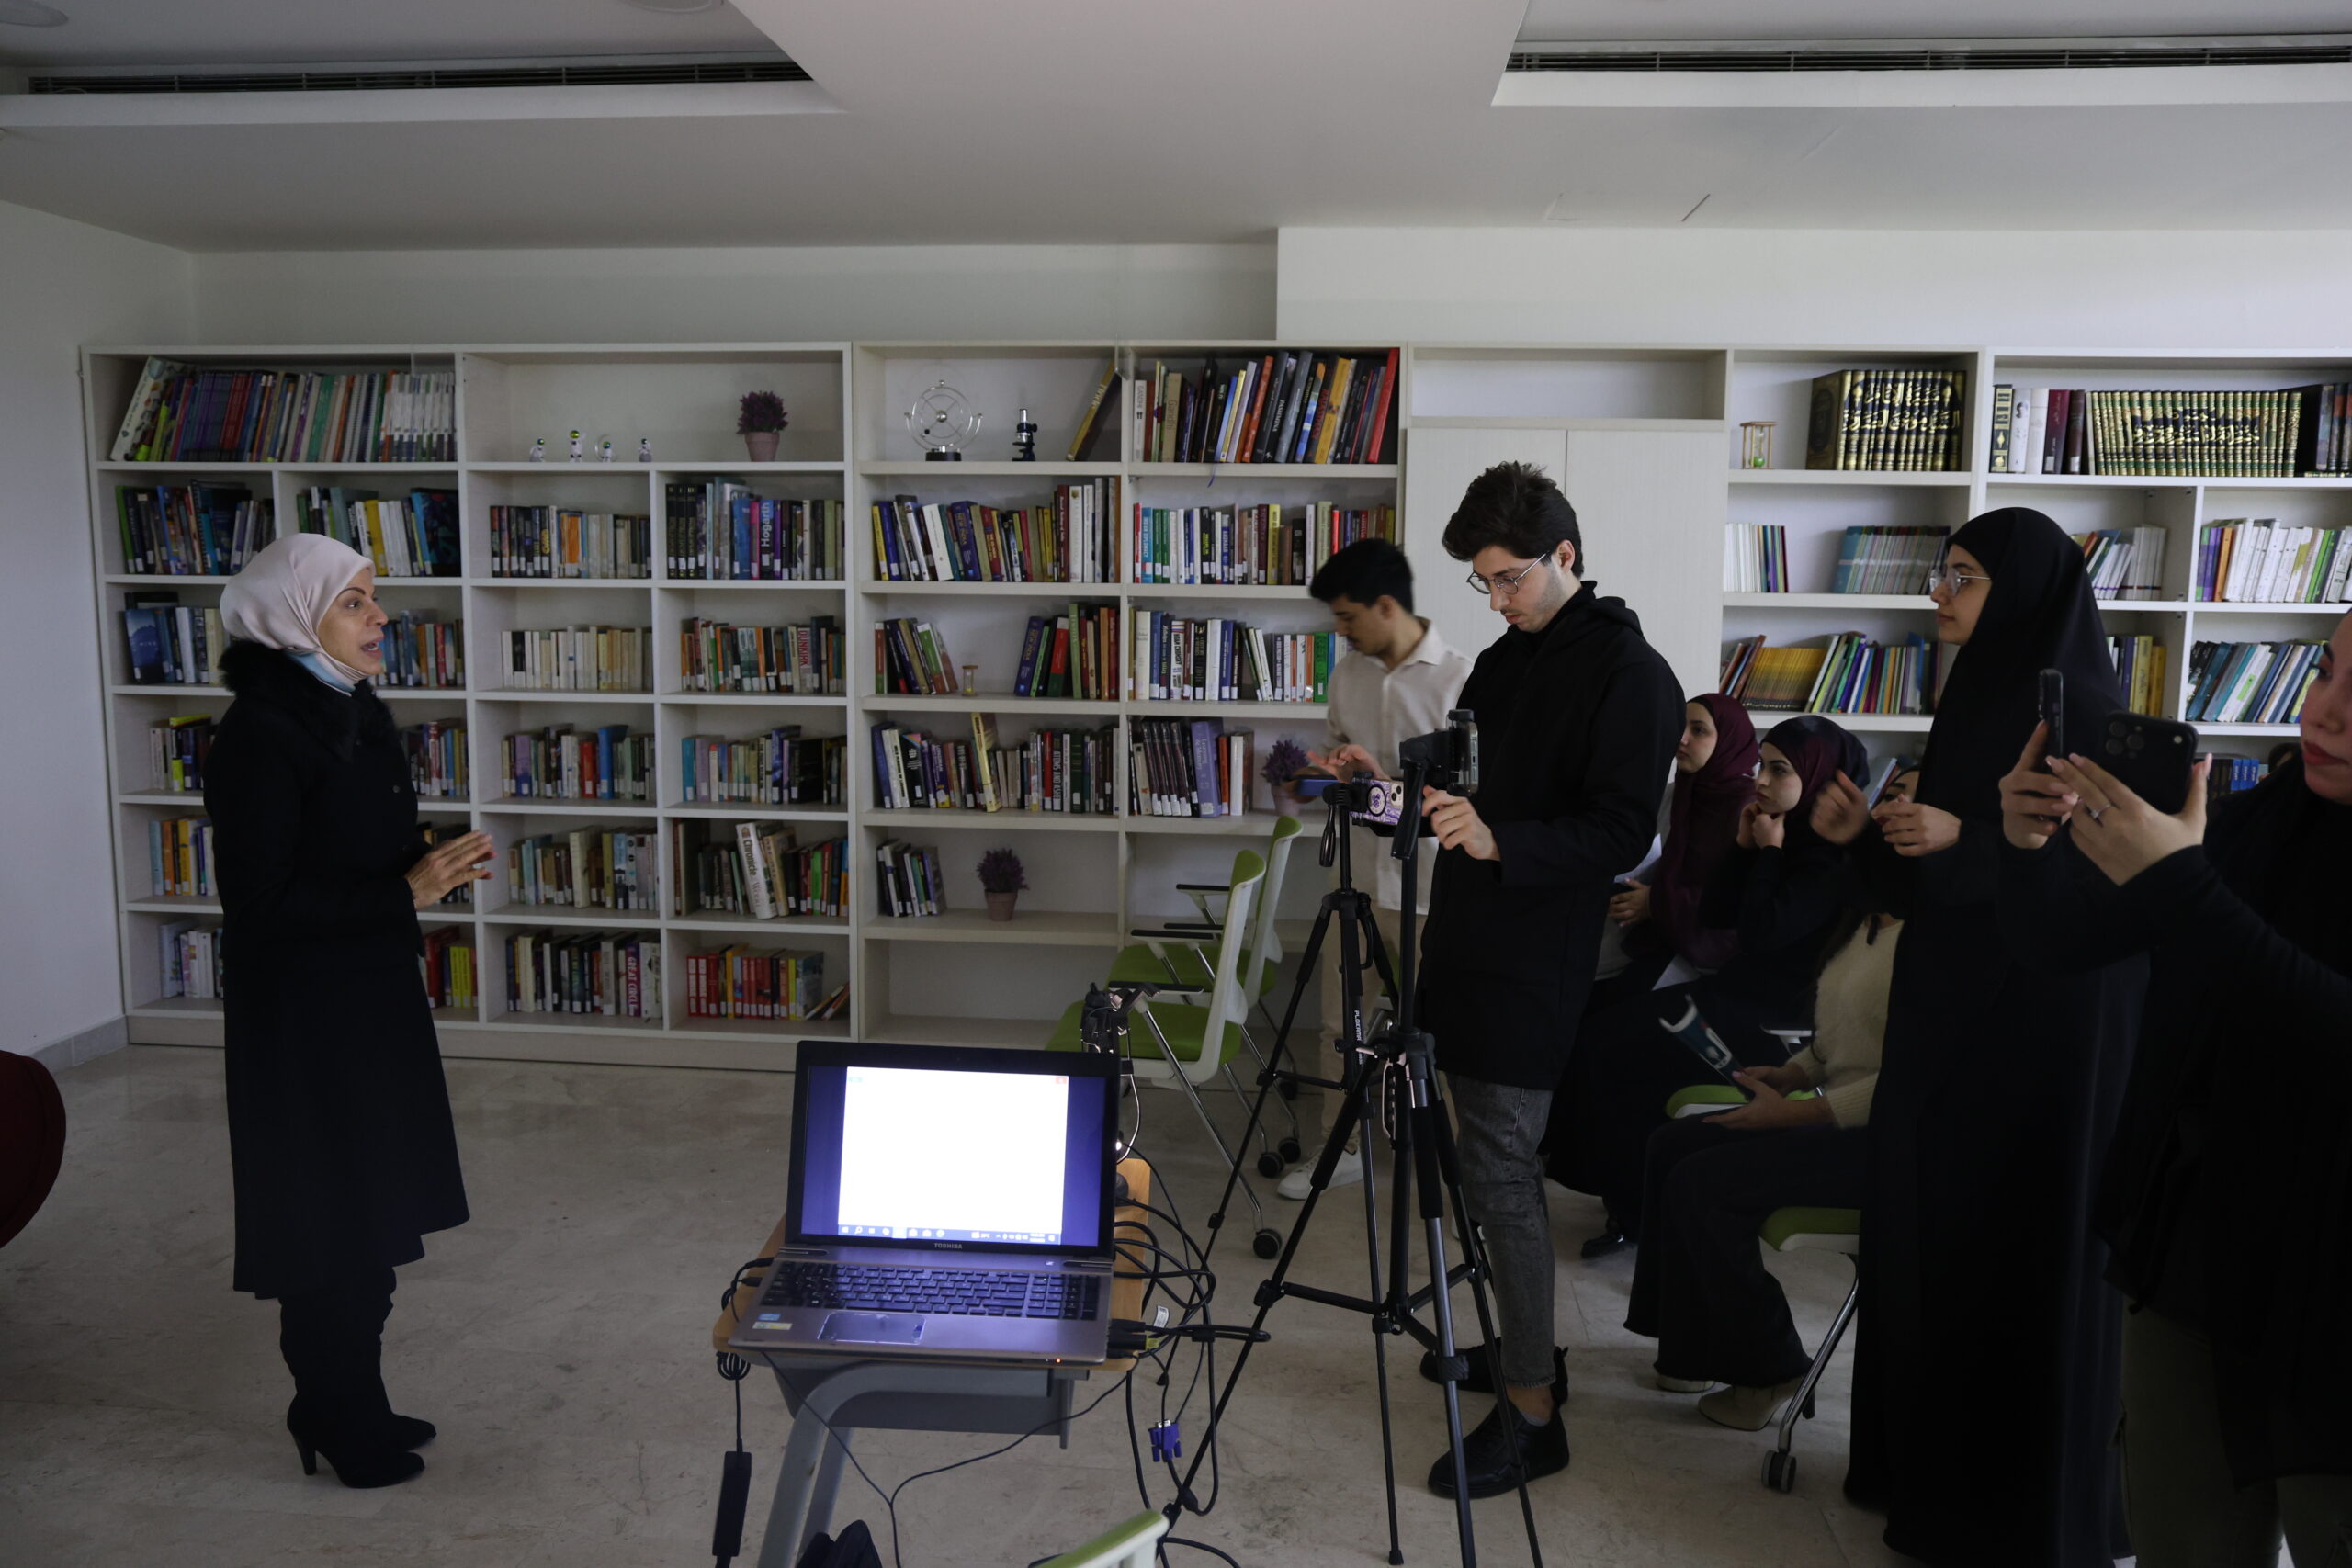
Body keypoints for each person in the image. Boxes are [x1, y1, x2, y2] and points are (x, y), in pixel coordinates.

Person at [1817, 507, 2142, 1566]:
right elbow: (1932, 873)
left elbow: (2100, 883)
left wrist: (1965, 846)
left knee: (2005, 1255)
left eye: (1960, 576)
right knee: (1927, 1246)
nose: (1939, 594)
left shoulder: (2081, 708)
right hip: (1952, 1011)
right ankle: (1923, 1482)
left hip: (2036, 1033)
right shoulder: (1975, 695)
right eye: (1942, 572)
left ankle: (2002, 1514)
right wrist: (1867, 839)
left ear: (2026, 591)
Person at [1996, 607, 2352, 1568]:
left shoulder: (2220, 853)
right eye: (2324, 674)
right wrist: (2029, 850)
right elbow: (2060, 943)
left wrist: (2182, 888)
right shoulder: (2264, 821)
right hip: (2195, 1246)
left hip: (2333, 1301)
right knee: (2180, 1534)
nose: (2323, 715)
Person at [1407, 461, 1683, 1498]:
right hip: (1471, 938)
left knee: (1503, 1179)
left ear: (1565, 556)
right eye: (1481, 582)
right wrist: (1407, 778)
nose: (1495, 599)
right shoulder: (1506, 654)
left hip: (1536, 957)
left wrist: (1495, 837)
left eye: (1509, 578)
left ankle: (1532, 1410)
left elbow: (1621, 830)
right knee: (1479, 1166)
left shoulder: (1630, 674)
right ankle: (1528, 1348)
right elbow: (1469, 770)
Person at [206, 534, 492, 1489]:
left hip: (367, 999)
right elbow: (262, 908)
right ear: (294, 619)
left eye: (376, 599)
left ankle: (349, 1399)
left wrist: (417, 879)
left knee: (369, 1220)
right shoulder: (259, 733)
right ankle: (329, 1410)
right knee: (327, 1229)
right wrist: (405, 890)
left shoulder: (348, 708)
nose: (381, 618)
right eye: (356, 603)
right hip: (303, 1023)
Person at [1623, 768, 1918, 1429]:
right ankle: (1689, 1347)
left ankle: (1772, 1363)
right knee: (1672, 1144)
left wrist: (1800, 1110)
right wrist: (1790, 1072)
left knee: (1706, 1183)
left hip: (1882, 1139)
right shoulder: (1865, 916)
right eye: (1892, 795)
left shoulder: (1932, 936)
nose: (1897, 807)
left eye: (1913, 798)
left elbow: (1909, 1074)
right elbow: (1841, 1037)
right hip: (1829, 1112)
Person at [1550, 715, 1864, 1254]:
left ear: (1820, 776)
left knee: (1623, 1058)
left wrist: (1766, 854)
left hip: (1776, 1023)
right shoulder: (1784, 835)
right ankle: (1629, 1204)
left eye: (1779, 769)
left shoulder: (1830, 861)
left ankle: (1639, 1212)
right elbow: (1720, 914)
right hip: (1734, 998)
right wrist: (1745, 848)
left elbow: (1763, 933)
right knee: (1600, 1039)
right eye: (1762, 765)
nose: (1761, 780)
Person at [1280, 538, 1469, 1200]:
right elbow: (1336, 757)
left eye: (1348, 616)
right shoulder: (1348, 675)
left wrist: (1380, 783)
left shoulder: (1460, 680)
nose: (1341, 630)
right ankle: (1343, 1148)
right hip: (1355, 880)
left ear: (1387, 606)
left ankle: (1453, 1167)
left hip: (1429, 891)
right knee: (1341, 1026)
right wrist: (1323, 770)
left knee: (1440, 1033)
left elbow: (1461, 799)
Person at [1605, 694, 1760, 995]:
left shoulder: (1748, 809)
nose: (1682, 738)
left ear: (1729, 738)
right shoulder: (1679, 793)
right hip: (1659, 943)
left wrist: (1657, 902)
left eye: (1698, 730)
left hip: (1712, 961)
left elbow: (1739, 900)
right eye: (1680, 725)